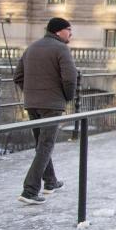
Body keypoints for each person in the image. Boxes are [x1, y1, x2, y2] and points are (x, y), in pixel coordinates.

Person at [13, 17, 76, 205]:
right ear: (58, 31)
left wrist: (33, 93)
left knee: (41, 144)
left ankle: (50, 182)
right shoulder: (61, 49)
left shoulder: (32, 47)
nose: (71, 33)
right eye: (68, 30)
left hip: (32, 103)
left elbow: (18, 76)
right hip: (51, 105)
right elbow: (70, 78)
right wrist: (66, 97)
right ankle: (30, 190)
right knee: (46, 145)